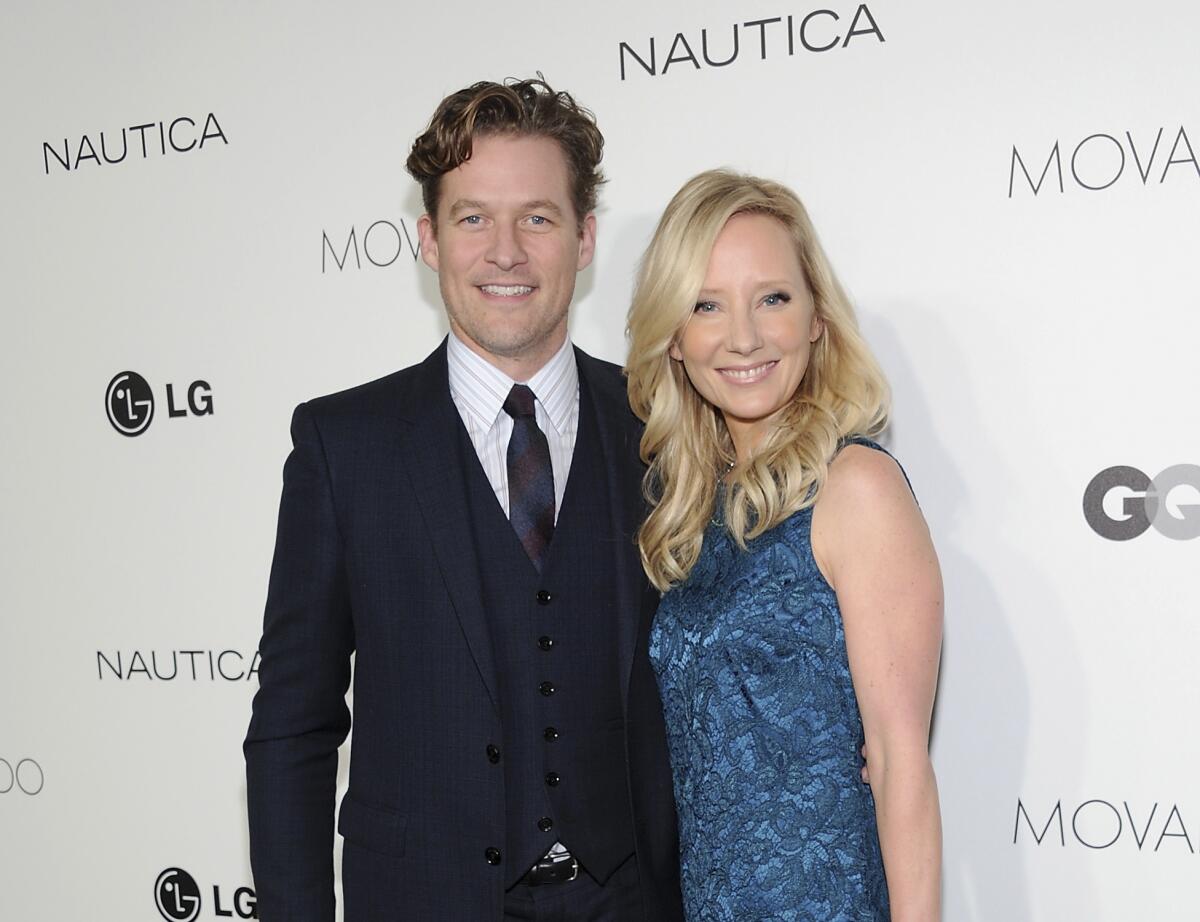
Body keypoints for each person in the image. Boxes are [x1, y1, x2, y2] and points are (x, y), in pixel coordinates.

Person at [244, 78, 684, 922]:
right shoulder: (345, 446)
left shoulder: (661, 428)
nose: (506, 251)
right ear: (429, 240)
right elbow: (293, 726)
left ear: (584, 237)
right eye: (473, 218)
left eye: (539, 218)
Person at [626, 170, 943, 921]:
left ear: (816, 319)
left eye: (772, 298)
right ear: (674, 337)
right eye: (707, 305)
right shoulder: (688, 504)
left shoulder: (855, 487)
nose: (743, 337)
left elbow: (900, 765)